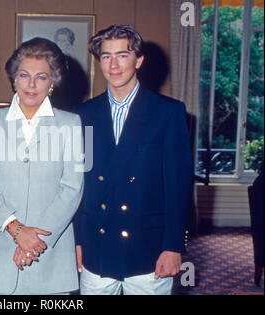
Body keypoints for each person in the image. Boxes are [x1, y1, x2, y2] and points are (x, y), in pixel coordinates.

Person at [73, 24, 193, 295]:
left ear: (139, 60)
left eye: (122, 55)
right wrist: (78, 240)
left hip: (149, 252)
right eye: (106, 56)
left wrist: (174, 246)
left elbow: (178, 187)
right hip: (97, 248)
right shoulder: (83, 115)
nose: (113, 65)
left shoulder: (168, 113)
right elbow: (80, 185)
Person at [0, 37, 84, 295]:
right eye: (24, 75)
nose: (31, 84)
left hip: (51, 259)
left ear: (53, 82)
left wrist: (34, 240)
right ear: (14, 79)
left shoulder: (72, 124)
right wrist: (16, 229)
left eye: (41, 77)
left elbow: (72, 189)